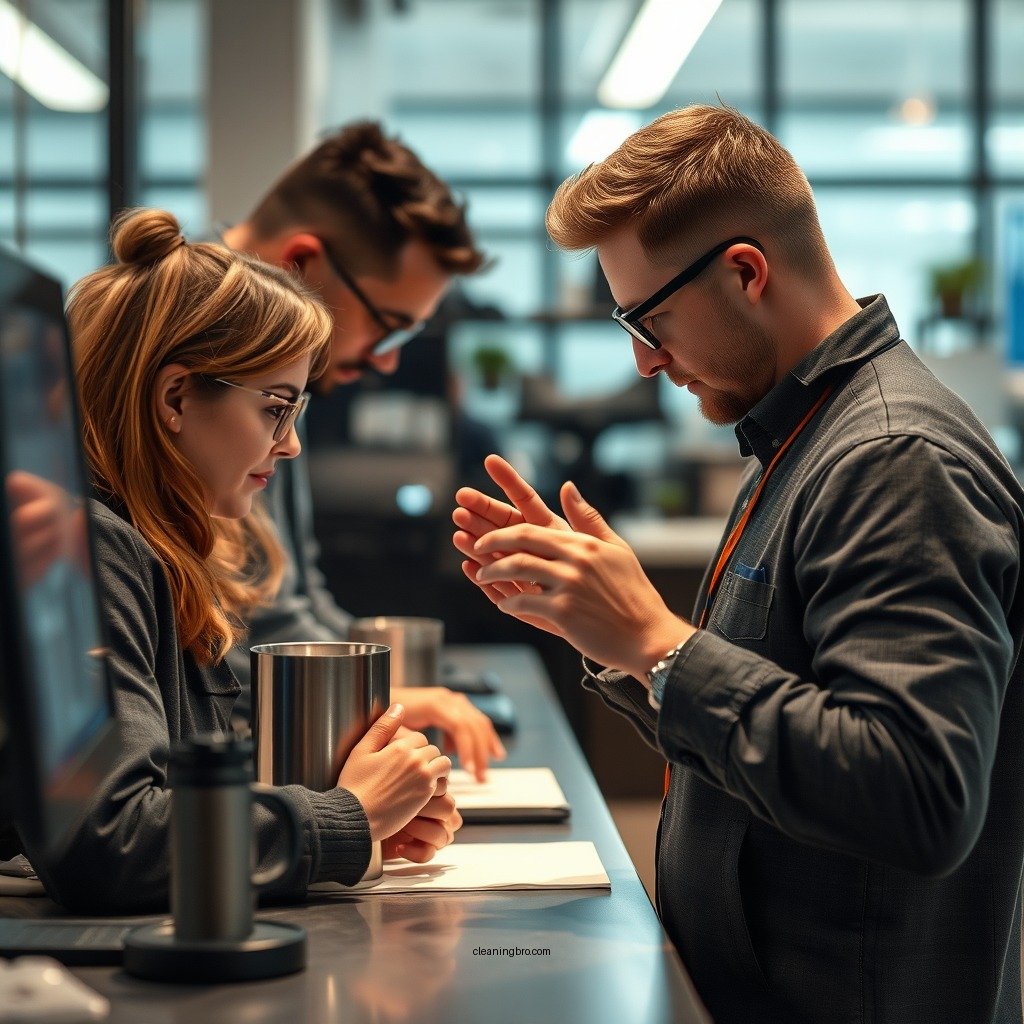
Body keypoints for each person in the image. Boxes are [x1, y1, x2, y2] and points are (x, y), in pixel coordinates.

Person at [453, 105, 1024, 1024]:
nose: (643, 361)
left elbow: (916, 793)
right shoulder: (798, 436)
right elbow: (772, 725)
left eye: (649, 318)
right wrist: (621, 641)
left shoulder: (892, 458)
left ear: (745, 273)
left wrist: (661, 644)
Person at [23, 208, 459, 914]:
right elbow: (115, 841)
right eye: (276, 409)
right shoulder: (92, 548)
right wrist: (347, 816)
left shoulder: (152, 545)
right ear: (174, 397)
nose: (288, 445)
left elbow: (177, 787)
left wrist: (360, 827)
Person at [220, 122, 505, 780]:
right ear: (301, 265)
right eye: (386, 325)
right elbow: (225, 630)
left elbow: (292, 591)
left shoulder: (280, 358)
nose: (388, 360)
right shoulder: (209, 354)